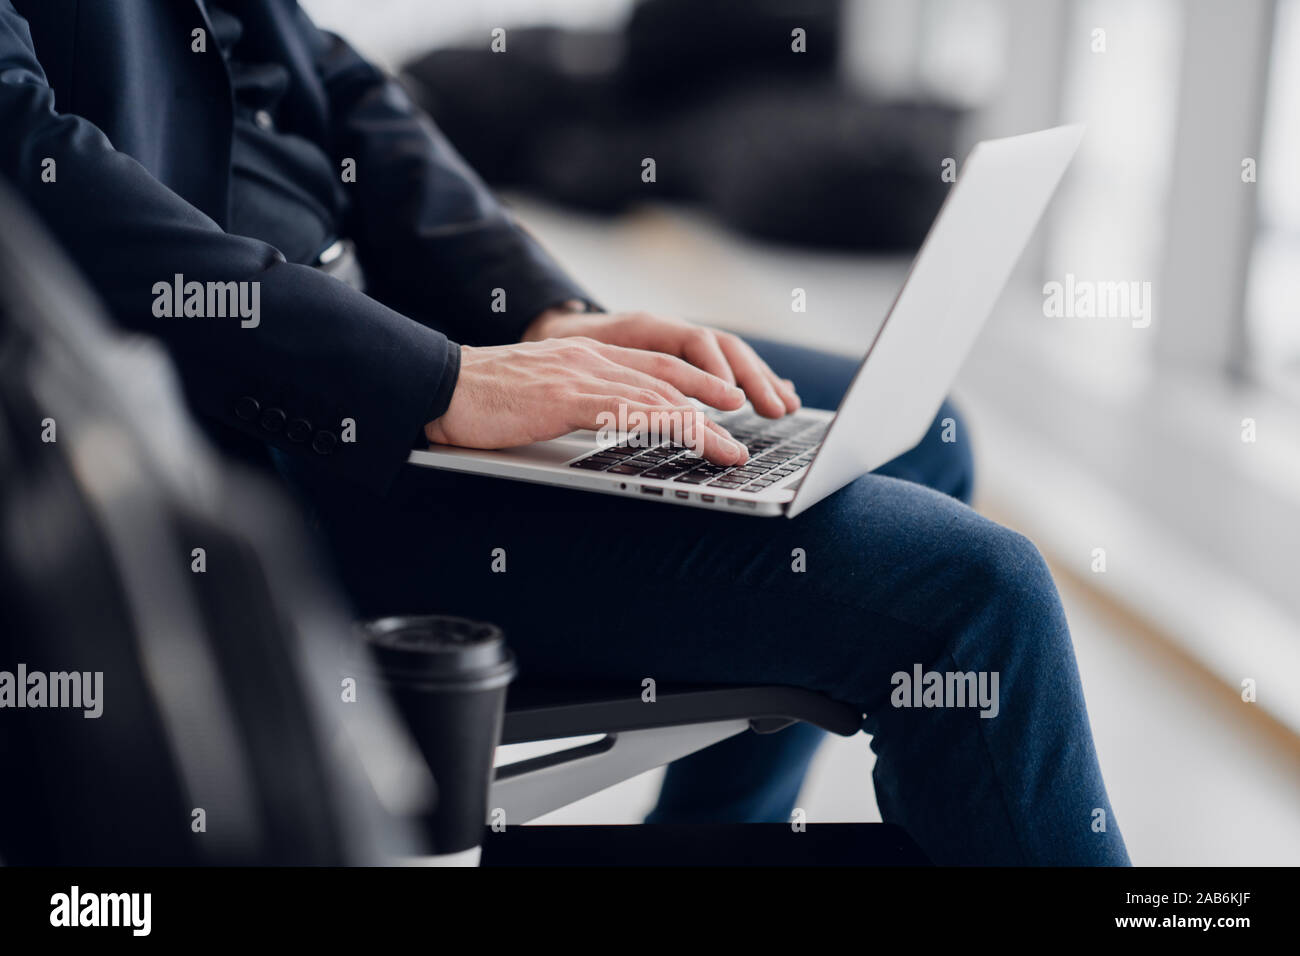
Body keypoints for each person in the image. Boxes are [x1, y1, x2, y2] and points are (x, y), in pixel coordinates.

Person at [0, 0, 1128, 864]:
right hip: (233, 428)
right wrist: (431, 383)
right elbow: (25, 165)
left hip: (367, 314)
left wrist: (537, 309)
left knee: (918, 431)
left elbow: (327, 80)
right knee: (975, 594)